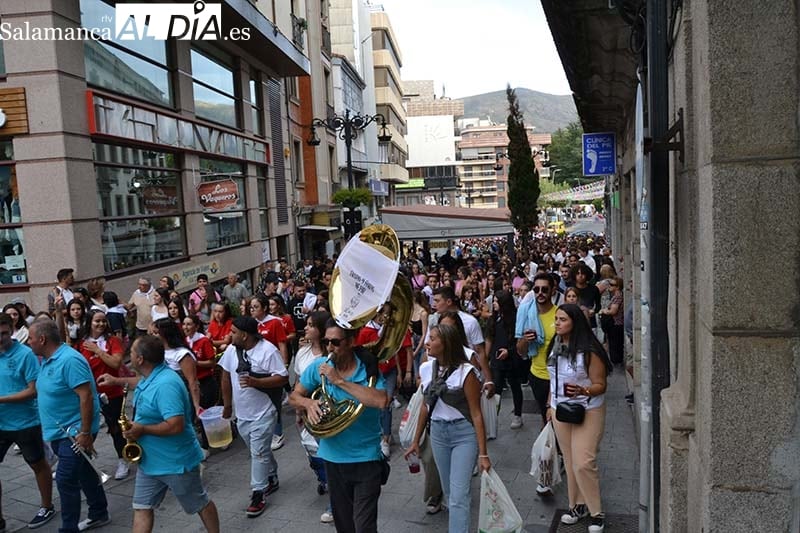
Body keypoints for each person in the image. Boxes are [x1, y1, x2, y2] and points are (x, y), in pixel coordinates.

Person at [97, 336, 220, 533]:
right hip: (150, 461)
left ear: (140, 359)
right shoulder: (152, 375)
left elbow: (176, 425)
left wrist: (142, 429)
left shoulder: (166, 385)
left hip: (175, 463)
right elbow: (141, 381)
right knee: (141, 507)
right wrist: (116, 380)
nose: (130, 355)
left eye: (133, 352)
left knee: (200, 503)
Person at [289, 319, 390, 533]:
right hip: (333, 459)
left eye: (336, 342)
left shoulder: (367, 369)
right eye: (327, 342)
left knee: (364, 527)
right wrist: (308, 403)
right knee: (345, 526)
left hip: (366, 459)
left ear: (352, 341)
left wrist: (339, 381)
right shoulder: (319, 367)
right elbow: (294, 396)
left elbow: (381, 401)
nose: (330, 348)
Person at [405, 324, 491, 533]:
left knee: (460, 495)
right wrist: (416, 440)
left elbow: (476, 413)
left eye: (432, 338)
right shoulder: (426, 368)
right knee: (450, 493)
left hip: (464, 434)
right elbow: (426, 405)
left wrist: (483, 454)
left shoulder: (466, 372)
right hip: (438, 433)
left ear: (446, 344)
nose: (426, 342)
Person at [30, 319, 110, 533]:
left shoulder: (70, 360)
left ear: (42, 339)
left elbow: (86, 397)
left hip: (74, 433)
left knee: (65, 479)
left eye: (30, 338)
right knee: (84, 472)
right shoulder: (47, 359)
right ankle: (99, 512)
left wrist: (85, 433)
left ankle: (68, 528)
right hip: (58, 432)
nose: (28, 342)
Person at [546, 304, 612, 532]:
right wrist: (549, 404)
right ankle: (577, 506)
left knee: (584, 461)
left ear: (575, 322)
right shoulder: (555, 346)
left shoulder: (590, 351)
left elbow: (601, 385)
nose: (557, 323)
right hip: (560, 410)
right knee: (571, 460)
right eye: (556, 319)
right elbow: (552, 378)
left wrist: (584, 391)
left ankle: (597, 512)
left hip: (588, 409)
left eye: (562, 319)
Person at [219, 316, 288, 518]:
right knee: (259, 450)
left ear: (244, 335)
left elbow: (282, 377)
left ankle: (258, 495)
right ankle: (272, 476)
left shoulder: (268, 351)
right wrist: (227, 405)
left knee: (257, 453)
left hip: (264, 412)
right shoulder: (231, 351)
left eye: (233, 332)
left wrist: (257, 382)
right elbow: (224, 376)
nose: (229, 335)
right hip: (243, 415)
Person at [0, 313, 55, 530]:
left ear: (11, 330)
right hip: (0, 423)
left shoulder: (25, 355)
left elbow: (33, 391)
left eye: (4, 333)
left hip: (26, 422)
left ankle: (46, 505)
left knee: (38, 464)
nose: (0, 338)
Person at [77, 310, 129, 480]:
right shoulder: (80, 343)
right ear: (89, 322)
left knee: (115, 428)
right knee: (88, 430)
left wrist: (98, 350)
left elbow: (116, 362)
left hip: (112, 392)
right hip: (89, 394)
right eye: (97, 321)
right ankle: (85, 462)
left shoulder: (113, 341)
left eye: (103, 321)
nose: (101, 324)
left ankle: (123, 459)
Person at [428, 286, 495, 398]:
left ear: (449, 301)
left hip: (463, 377)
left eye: (437, 301)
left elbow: (480, 351)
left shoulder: (470, 322)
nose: (434, 304)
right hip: (437, 375)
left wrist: (488, 379)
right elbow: (427, 347)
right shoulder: (433, 320)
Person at [485, 290, 525, 429]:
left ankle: (518, 414)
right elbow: (489, 339)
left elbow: (519, 340)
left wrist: (510, 351)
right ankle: (492, 416)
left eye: (496, 301)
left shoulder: (515, 319)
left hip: (512, 359)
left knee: (515, 386)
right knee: (495, 389)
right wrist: (486, 357)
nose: (494, 304)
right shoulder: (493, 319)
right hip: (497, 359)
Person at [183, 316, 219, 413]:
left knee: (206, 410)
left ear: (196, 326)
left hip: (205, 382)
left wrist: (196, 363)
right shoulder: (185, 341)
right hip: (191, 382)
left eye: (189, 324)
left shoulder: (204, 341)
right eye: (184, 324)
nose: (185, 327)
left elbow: (212, 362)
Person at [597, 277, 625, 366]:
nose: (610, 286)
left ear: (618, 287)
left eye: (612, 285)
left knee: (615, 344)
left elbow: (613, 311)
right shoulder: (616, 296)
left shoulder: (617, 297)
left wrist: (604, 311)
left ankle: (616, 361)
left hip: (615, 323)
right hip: (615, 323)